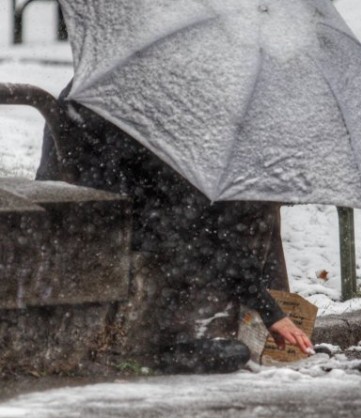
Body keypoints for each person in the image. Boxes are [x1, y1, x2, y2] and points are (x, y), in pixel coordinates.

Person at [37, 83, 313, 373]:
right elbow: (201, 227)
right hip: (119, 225)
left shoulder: (95, 87)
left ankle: (257, 324)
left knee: (217, 213)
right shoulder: (152, 113)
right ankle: (172, 344)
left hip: (78, 215)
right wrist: (270, 311)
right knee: (228, 214)